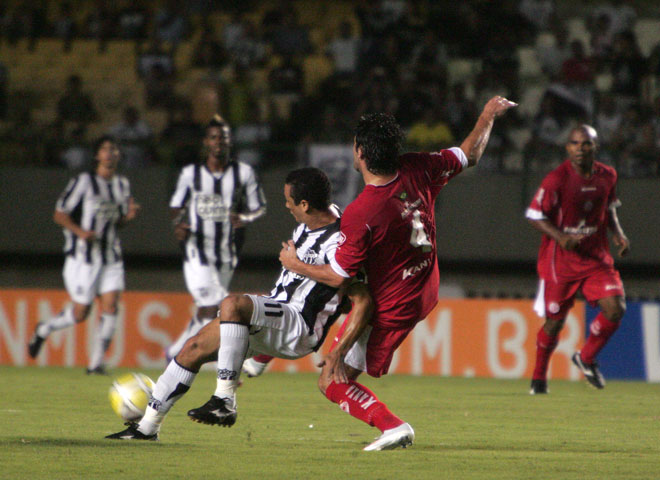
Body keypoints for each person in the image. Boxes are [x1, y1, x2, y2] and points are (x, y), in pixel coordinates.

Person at [279, 96, 517, 450]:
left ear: (359, 152)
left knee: (331, 378)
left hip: (394, 304)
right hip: (425, 286)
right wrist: (487, 114)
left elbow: (339, 275)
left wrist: (294, 264)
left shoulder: (362, 211)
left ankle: (392, 427)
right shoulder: (419, 167)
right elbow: (471, 153)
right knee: (348, 304)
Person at [106, 167, 373, 440]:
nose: (286, 205)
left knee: (233, 304)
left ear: (305, 204)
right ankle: (146, 428)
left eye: (289, 201)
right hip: (277, 311)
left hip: (299, 324)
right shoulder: (314, 222)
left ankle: (224, 400)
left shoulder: (340, 239)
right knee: (193, 348)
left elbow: (345, 282)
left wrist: (296, 264)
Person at [527, 125, 630, 395]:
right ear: (567, 147)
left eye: (585, 144)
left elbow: (608, 208)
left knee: (616, 308)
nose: (579, 149)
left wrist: (618, 234)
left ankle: (585, 357)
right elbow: (535, 215)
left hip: (596, 258)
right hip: (561, 261)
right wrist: (560, 237)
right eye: (574, 143)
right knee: (555, 322)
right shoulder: (556, 179)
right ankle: (538, 379)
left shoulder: (608, 175)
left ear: (595, 147)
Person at [27, 136, 140, 374]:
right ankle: (44, 330)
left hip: (110, 256)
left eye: (114, 149)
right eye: (105, 149)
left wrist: (127, 218)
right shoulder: (84, 181)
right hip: (83, 258)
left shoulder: (122, 184)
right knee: (81, 312)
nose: (110, 153)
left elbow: (114, 222)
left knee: (111, 306)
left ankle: (95, 364)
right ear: (97, 155)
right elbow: (59, 214)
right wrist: (80, 232)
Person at [166, 114, 266, 361]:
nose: (219, 141)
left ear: (230, 141)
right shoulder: (191, 174)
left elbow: (258, 207)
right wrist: (179, 224)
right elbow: (176, 206)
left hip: (226, 254)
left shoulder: (243, 173)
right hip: (196, 250)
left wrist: (245, 219)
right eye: (213, 137)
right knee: (214, 306)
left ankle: (178, 351)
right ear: (206, 143)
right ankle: (190, 355)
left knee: (209, 310)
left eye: (223, 137)